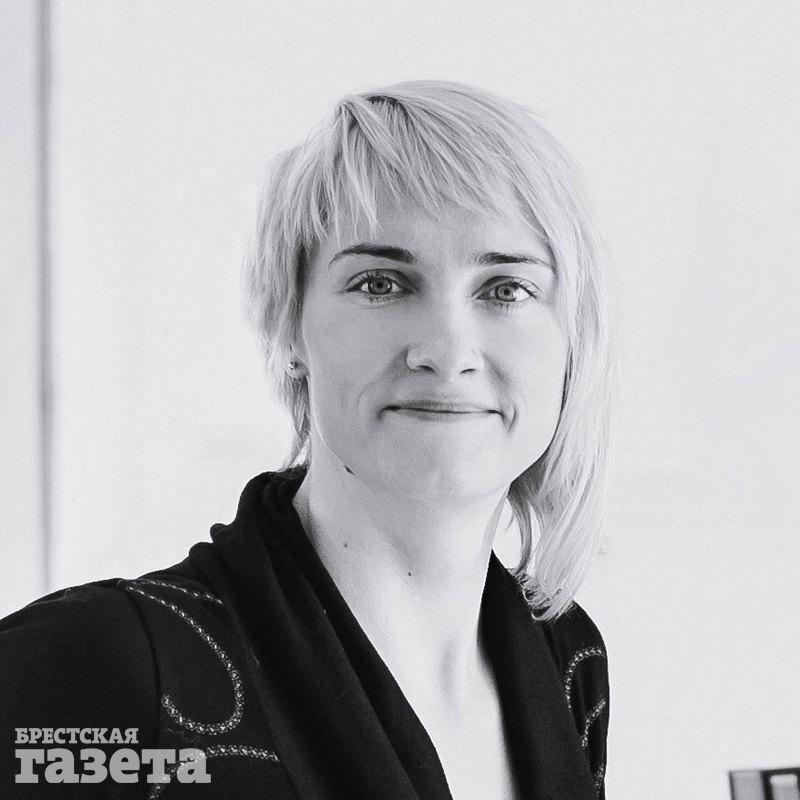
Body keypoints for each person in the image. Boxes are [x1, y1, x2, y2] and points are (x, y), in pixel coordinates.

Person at [0, 80, 616, 799]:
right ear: (290, 326)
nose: (448, 351)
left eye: (506, 289)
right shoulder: (93, 666)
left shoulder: (567, 658)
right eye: (380, 283)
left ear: (572, 340)